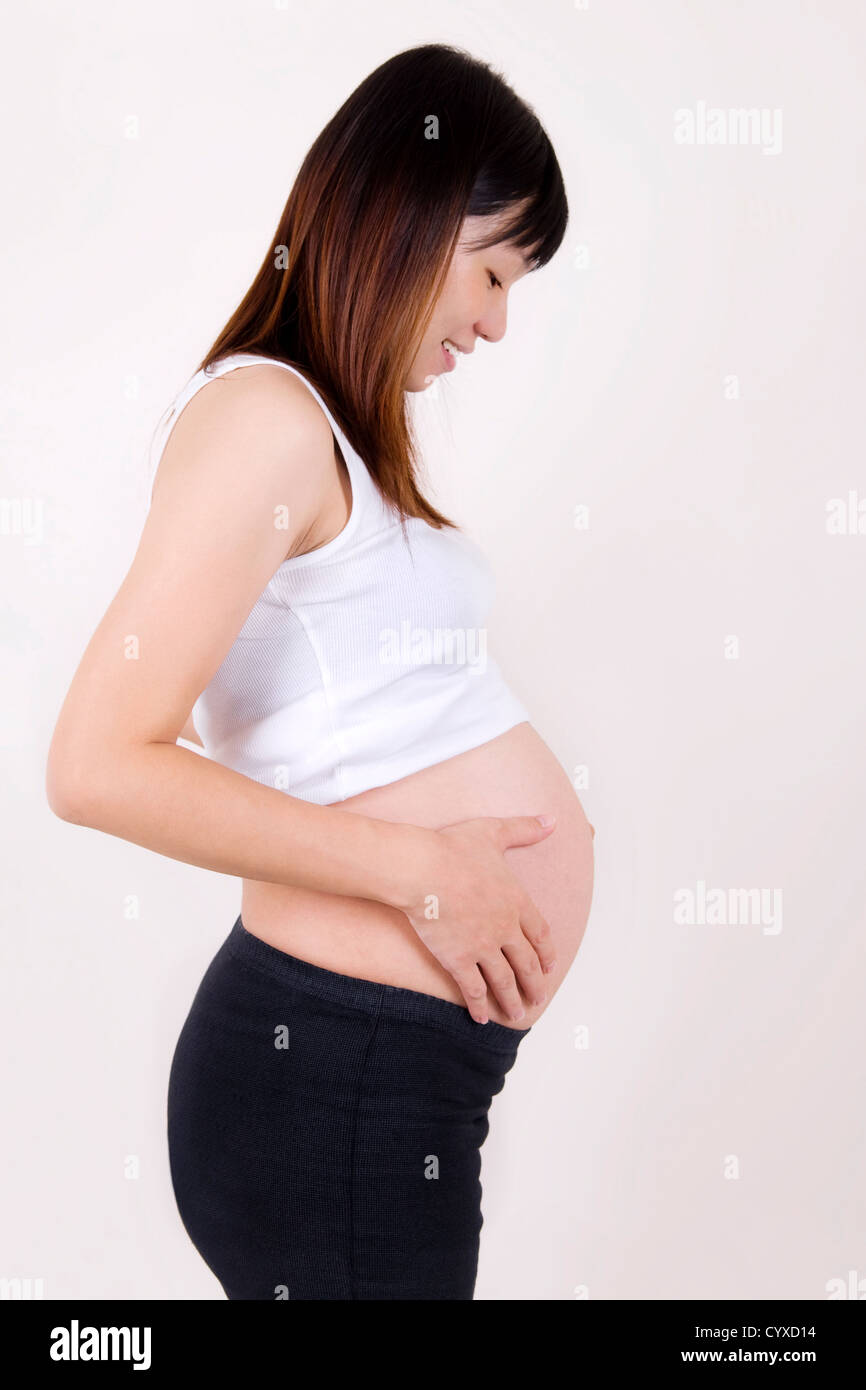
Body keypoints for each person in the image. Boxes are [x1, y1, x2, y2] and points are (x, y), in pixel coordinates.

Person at [46, 43, 595, 1300]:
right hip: (333, 1077)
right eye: (493, 271)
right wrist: (417, 869)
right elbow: (93, 764)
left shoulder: (325, 434)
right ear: (406, 215)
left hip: (375, 1076)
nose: (497, 324)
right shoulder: (266, 423)